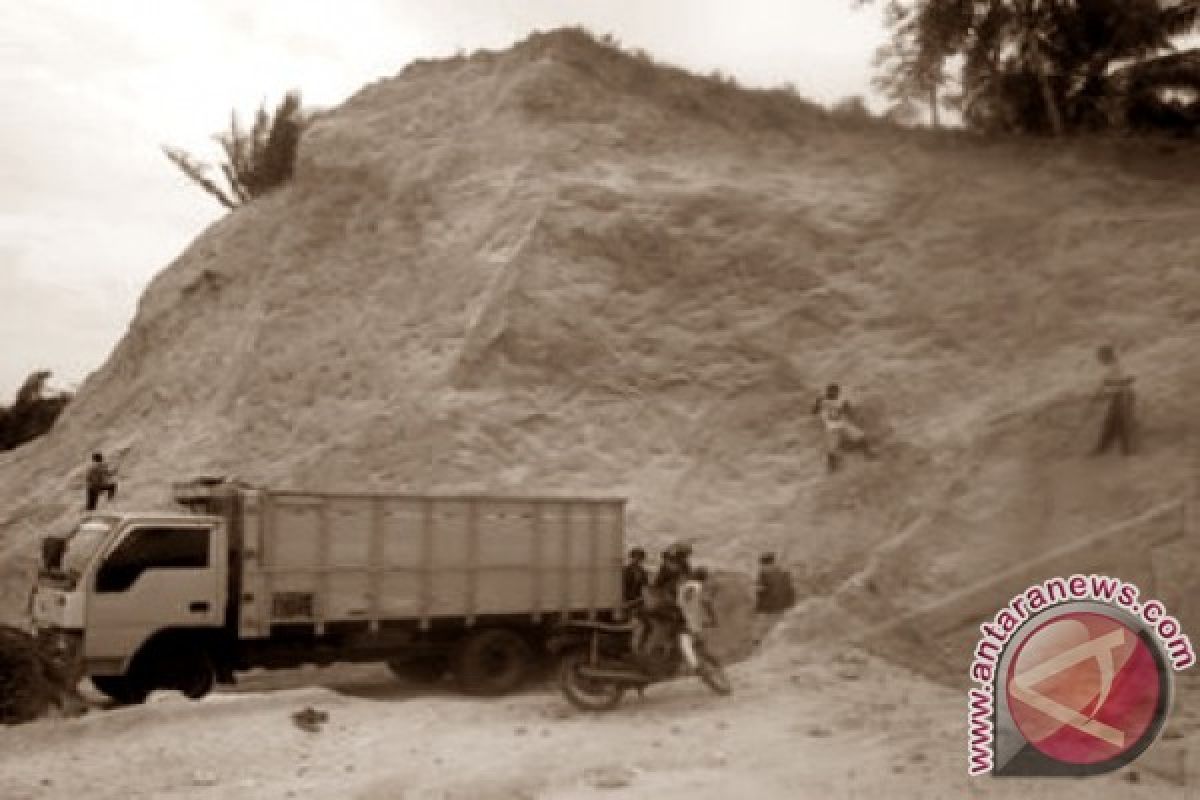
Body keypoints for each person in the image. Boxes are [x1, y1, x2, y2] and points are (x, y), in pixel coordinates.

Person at [811, 383, 874, 472]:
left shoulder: (841, 400)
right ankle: (832, 467)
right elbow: (813, 412)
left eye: (835, 392)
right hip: (831, 427)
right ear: (827, 392)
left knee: (860, 436)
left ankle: (869, 454)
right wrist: (817, 404)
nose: (833, 394)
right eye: (831, 392)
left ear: (838, 392)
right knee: (831, 448)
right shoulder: (822, 400)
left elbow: (849, 411)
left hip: (842, 424)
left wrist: (847, 409)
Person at [1091, 345, 1136, 457]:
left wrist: (1110, 384)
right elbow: (1110, 385)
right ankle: (1105, 448)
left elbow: (1130, 379)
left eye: (1101, 357)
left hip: (1124, 396)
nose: (1100, 360)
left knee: (1121, 423)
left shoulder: (1118, 366)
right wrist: (1101, 392)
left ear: (1107, 355)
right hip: (1118, 396)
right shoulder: (1111, 367)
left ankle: (1123, 450)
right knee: (1113, 422)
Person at [676, 566, 715, 673]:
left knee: (688, 640)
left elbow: (679, 603)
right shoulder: (699, 587)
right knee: (687, 641)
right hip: (692, 618)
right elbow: (706, 603)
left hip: (681, 616)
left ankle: (695, 663)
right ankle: (695, 665)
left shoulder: (683, 586)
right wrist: (712, 617)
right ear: (704, 578)